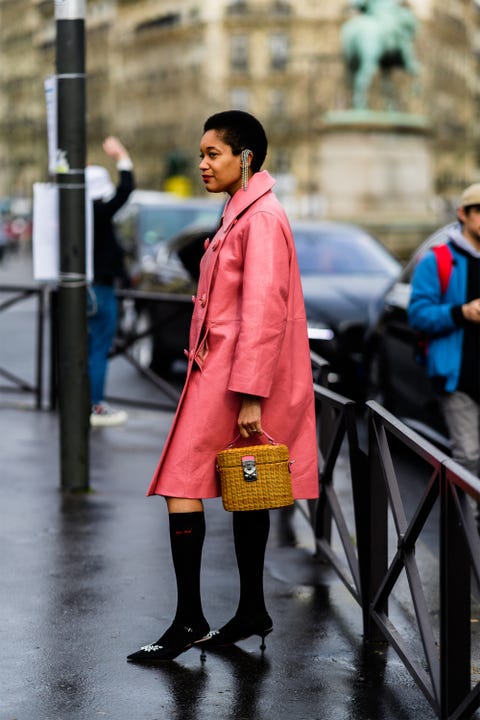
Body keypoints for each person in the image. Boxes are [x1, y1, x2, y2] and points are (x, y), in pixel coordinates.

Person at [127, 110, 318, 664]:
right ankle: (250, 609)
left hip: (235, 377)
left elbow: (263, 310)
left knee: (182, 479)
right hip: (225, 371)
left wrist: (253, 394)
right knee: (245, 483)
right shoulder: (245, 210)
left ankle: (190, 619)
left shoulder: (261, 217)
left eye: (214, 154)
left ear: (246, 158)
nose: (203, 163)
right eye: (203, 154)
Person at [408, 183, 480, 487]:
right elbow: (418, 315)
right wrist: (460, 312)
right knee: (468, 458)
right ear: (463, 213)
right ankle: (466, 533)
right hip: (458, 377)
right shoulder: (437, 260)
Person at [86, 136, 135, 427]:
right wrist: (121, 156)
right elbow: (125, 189)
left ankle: (75, 401)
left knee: (79, 347)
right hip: (100, 287)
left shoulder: (74, 212)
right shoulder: (101, 212)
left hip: (77, 287)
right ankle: (95, 406)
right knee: (98, 348)